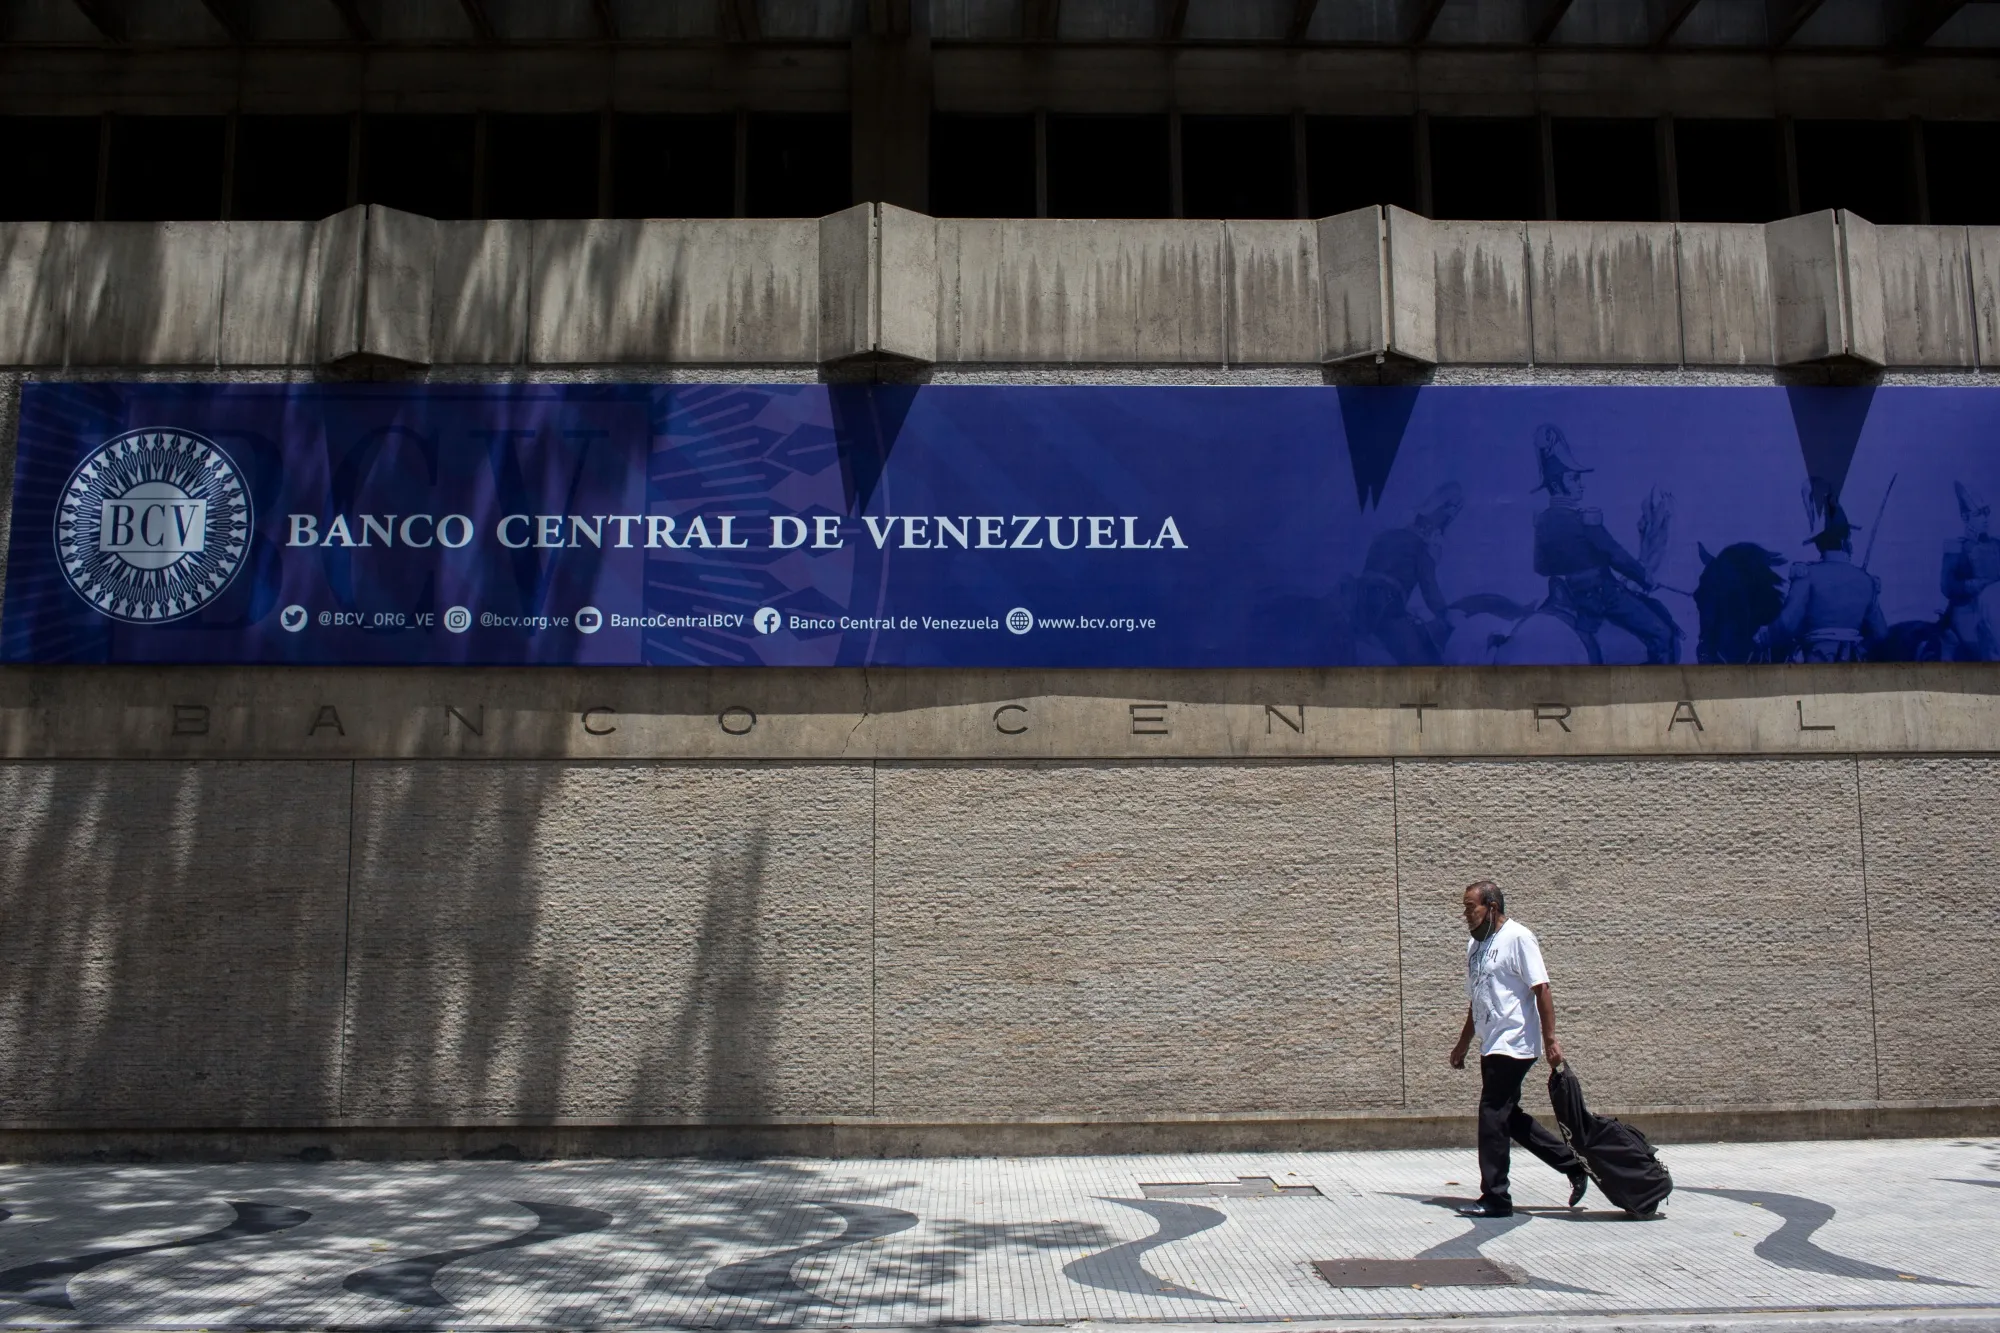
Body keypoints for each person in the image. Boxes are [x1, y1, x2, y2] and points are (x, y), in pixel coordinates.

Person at [1448, 880, 1589, 1218]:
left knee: (1491, 1113)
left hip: (1515, 1042)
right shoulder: (1475, 946)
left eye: (1471, 906)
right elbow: (1476, 999)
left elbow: (1541, 989)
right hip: (1491, 1041)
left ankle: (1496, 1197)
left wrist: (1551, 1039)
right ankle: (1572, 1165)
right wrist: (1463, 1043)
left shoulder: (1519, 938)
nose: (1466, 913)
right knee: (1507, 1116)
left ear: (1491, 907)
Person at [1530, 425, 1679, 664]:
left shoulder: (1543, 521)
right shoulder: (1585, 520)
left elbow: (1541, 568)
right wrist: (1644, 577)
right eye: (1574, 478)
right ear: (1558, 485)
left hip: (1565, 594)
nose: (1581, 484)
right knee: (1663, 635)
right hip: (1603, 595)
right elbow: (1615, 555)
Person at [1352, 482, 1464, 665]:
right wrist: (1446, 615)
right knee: (1425, 662)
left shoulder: (1383, 537)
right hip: (1387, 610)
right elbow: (1431, 592)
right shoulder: (1420, 548)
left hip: (1358, 605)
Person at [1774, 501, 1886, 662]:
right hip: (1853, 662)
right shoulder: (1866, 581)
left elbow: (1786, 625)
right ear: (1846, 541)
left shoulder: (1806, 575)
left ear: (1819, 544)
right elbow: (1881, 633)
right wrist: (1861, 649)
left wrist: (1762, 638)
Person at [1941, 481, 2000, 660]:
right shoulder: (1955, 547)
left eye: (1986, 512)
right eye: (1979, 514)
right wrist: (1971, 585)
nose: (1985, 518)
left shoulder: (1997, 545)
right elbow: (1947, 585)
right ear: (1966, 518)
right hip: (1967, 611)